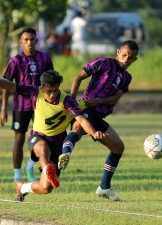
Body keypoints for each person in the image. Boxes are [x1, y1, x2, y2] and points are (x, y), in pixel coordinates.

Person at [0, 70, 104, 201]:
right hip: (38, 137)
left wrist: (93, 133)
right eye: (49, 91)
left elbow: (81, 119)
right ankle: (48, 168)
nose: (52, 95)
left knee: (45, 187)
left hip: (57, 143)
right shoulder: (35, 92)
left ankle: (22, 187)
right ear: (41, 88)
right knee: (42, 149)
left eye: (55, 90)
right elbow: (10, 86)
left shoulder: (67, 100)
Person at [57, 40, 139, 201]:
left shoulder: (126, 77)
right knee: (78, 130)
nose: (126, 60)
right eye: (124, 55)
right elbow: (78, 78)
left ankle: (104, 187)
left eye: (130, 58)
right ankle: (64, 154)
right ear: (118, 52)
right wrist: (72, 101)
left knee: (118, 147)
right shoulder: (103, 63)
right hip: (86, 110)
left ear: (134, 60)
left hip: (98, 115)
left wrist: (98, 101)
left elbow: (114, 100)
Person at [0, 28, 54, 183]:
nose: (29, 42)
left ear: (36, 41)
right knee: (19, 139)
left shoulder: (44, 58)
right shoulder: (15, 61)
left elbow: (52, 82)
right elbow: (6, 85)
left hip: (40, 105)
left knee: (46, 137)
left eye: (32, 39)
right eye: (26, 40)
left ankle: (30, 166)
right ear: (21, 42)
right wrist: (3, 108)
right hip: (21, 106)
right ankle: (17, 175)